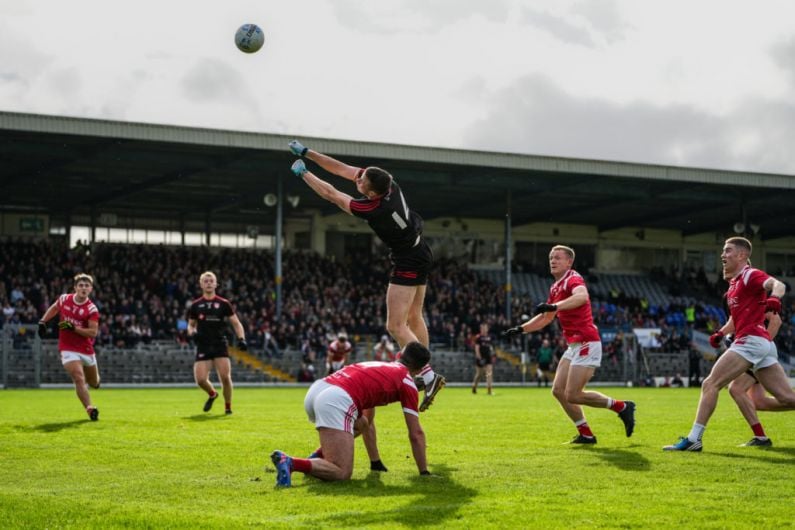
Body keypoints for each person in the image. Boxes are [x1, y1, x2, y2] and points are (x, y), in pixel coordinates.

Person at [288, 139, 444, 411]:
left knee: (395, 326)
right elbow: (342, 169)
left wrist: (304, 174)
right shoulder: (389, 184)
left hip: (407, 258)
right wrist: (307, 152)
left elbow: (332, 194)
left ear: (372, 194)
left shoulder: (372, 208)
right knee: (415, 317)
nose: (357, 182)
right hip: (421, 250)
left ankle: (429, 375)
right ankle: (423, 373)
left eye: (361, 185)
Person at [664, 237, 795, 451]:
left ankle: (694, 439)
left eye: (728, 251)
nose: (723, 256)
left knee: (710, 384)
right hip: (757, 342)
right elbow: (735, 320)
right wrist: (721, 332)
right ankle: (759, 438)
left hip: (751, 341)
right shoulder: (733, 287)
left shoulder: (749, 275)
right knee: (785, 397)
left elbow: (778, 284)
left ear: (742, 255)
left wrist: (775, 299)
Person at [503, 245, 636, 444]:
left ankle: (621, 407)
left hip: (587, 342)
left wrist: (555, 306)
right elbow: (546, 317)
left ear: (569, 262)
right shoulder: (555, 287)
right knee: (558, 390)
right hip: (574, 345)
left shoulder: (573, 278)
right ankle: (586, 434)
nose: (552, 261)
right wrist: (521, 329)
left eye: (557, 257)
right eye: (550, 258)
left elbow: (582, 297)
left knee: (573, 394)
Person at [270, 342, 432, 486]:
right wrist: (424, 472)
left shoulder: (380, 365)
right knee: (341, 472)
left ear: (398, 355)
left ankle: (317, 455)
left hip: (319, 388)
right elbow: (415, 433)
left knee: (362, 424)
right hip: (335, 399)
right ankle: (291, 462)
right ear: (418, 369)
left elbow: (368, 413)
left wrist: (375, 461)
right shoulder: (407, 382)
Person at [37, 273, 101, 421]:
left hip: (86, 349)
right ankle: (90, 409)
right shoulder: (65, 299)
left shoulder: (92, 309)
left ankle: (96, 382)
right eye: (81, 285)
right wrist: (43, 321)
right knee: (79, 378)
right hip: (67, 348)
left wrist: (73, 328)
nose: (83, 288)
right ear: (75, 288)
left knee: (94, 382)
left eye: (86, 286)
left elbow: (93, 333)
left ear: (90, 289)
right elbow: (54, 308)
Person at [187, 271, 247, 415]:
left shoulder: (224, 303)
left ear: (216, 284)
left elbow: (236, 323)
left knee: (225, 377)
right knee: (200, 380)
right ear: (201, 284)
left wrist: (241, 339)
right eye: (205, 281)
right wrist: (192, 333)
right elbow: (190, 325)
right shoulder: (196, 305)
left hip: (219, 343)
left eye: (211, 280)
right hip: (204, 344)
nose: (208, 283)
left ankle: (228, 407)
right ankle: (213, 394)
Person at [727, 311, 788, 447]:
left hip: (758, 350)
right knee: (759, 402)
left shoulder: (751, 294)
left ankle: (760, 437)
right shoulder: (736, 295)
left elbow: (776, 320)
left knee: (736, 389)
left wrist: (763, 344)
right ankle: (760, 438)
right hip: (755, 349)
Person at [472, 323, 495, 395]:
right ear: (481, 329)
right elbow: (477, 349)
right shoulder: (478, 337)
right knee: (479, 374)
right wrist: (479, 358)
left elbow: (491, 347)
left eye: (485, 328)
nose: (484, 329)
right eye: (483, 328)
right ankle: (474, 387)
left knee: (489, 373)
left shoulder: (490, 337)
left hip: (488, 357)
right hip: (481, 358)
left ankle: (489, 390)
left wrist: (493, 353)